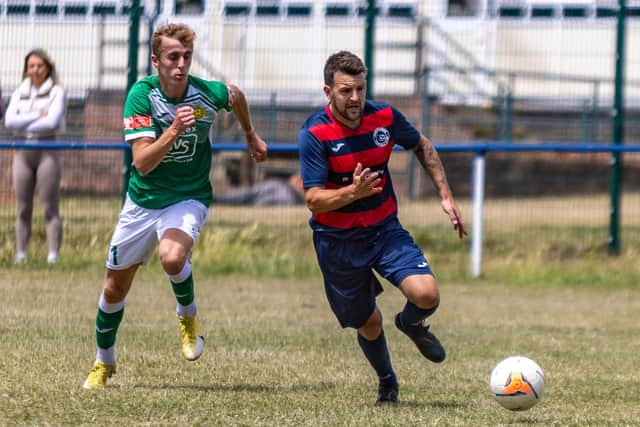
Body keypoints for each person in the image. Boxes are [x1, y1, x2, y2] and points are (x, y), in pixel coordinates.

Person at [82, 23, 267, 389]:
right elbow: (142, 163)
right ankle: (104, 362)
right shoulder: (141, 96)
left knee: (172, 257)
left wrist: (250, 133)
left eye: (186, 57)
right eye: (172, 57)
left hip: (188, 195)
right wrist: (173, 130)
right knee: (113, 290)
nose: (181, 65)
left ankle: (188, 316)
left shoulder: (204, 93)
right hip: (143, 201)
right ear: (156, 61)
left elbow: (235, 95)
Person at [298, 51, 467, 405]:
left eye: (360, 88)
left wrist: (446, 195)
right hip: (337, 242)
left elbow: (421, 145)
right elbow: (314, 199)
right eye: (346, 91)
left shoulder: (385, 117)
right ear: (327, 92)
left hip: (383, 230)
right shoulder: (314, 134)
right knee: (368, 322)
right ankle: (387, 380)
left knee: (426, 294)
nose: (356, 98)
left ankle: (411, 323)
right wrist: (352, 192)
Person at [4, 49, 66, 264]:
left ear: (47, 67)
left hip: (47, 151)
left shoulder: (56, 91)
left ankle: (53, 256)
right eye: (31, 66)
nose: (35, 70)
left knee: (50, 206)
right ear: (26, 69)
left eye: (40, 65)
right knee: (23, 207)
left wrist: (24, 120)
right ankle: (20, 255)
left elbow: (52, 122)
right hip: (22, 152)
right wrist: (35, 116)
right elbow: (9, 122)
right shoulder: (19, 92)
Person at [215, 174, 303, 206]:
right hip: (283, 186)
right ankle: (218, 199)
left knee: (251, 198)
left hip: (289, 194)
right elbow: (295, 179)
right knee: (248, 194)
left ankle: (219, 199)